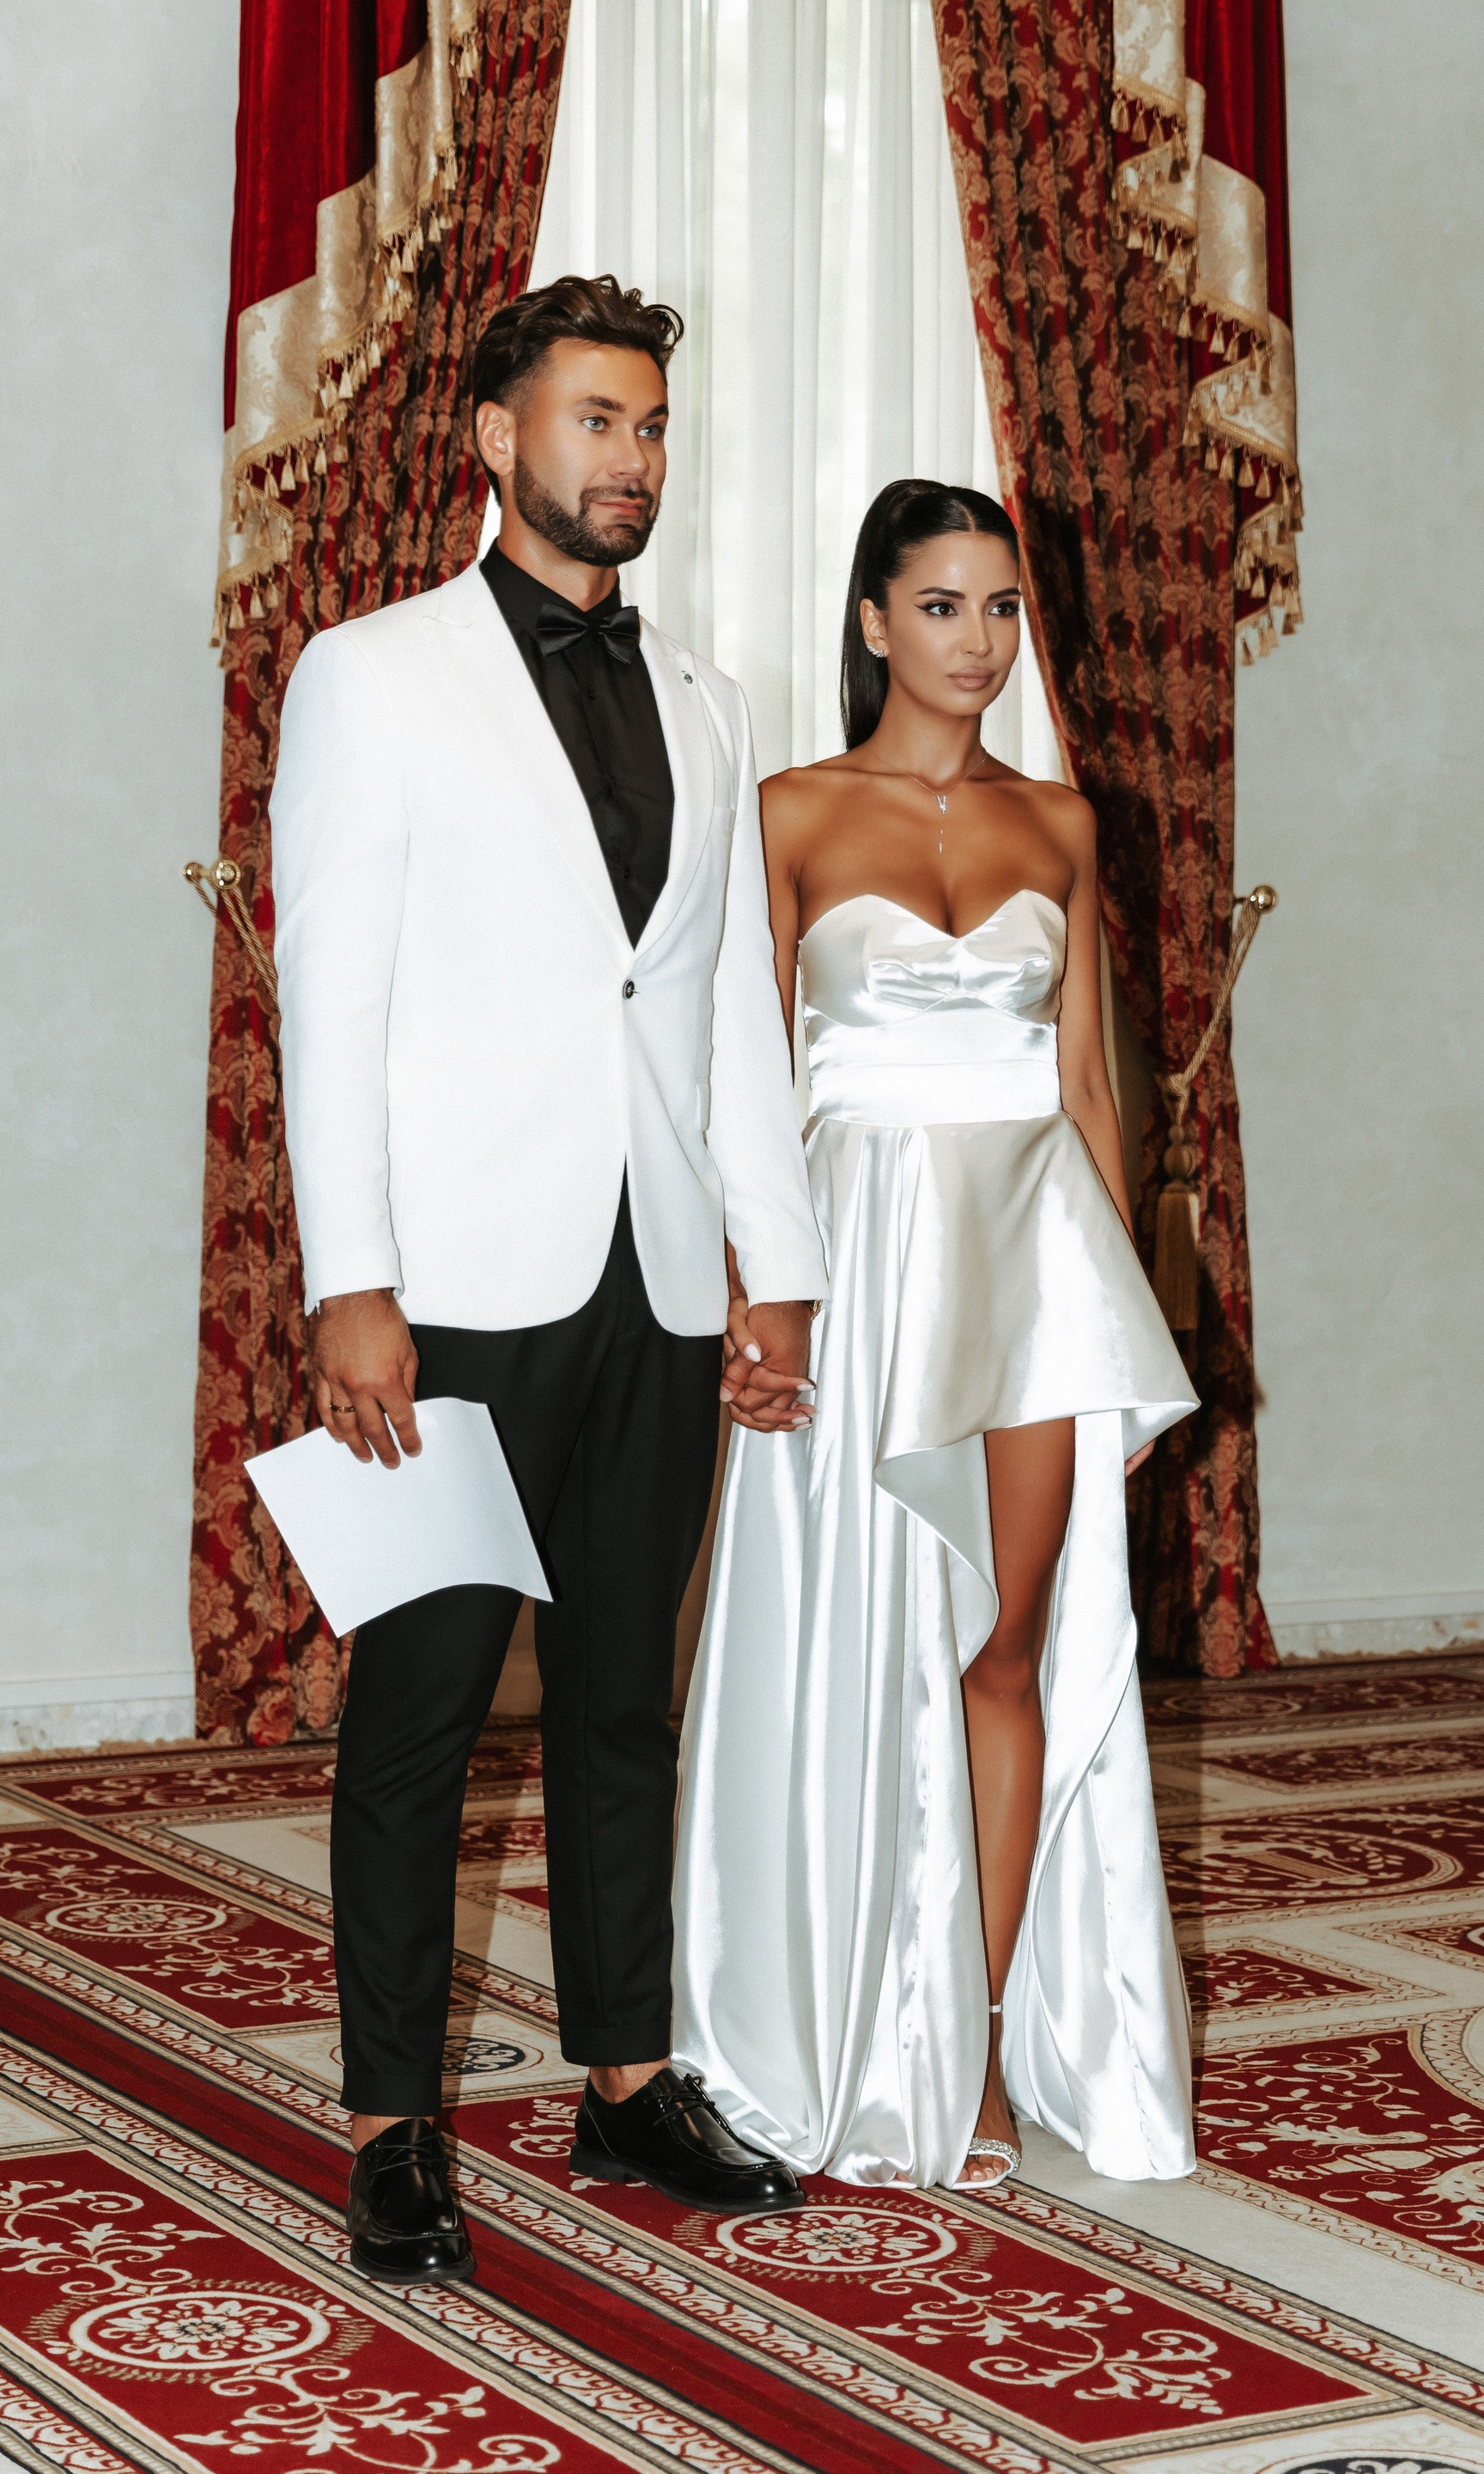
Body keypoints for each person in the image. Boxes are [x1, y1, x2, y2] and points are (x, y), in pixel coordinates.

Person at [271, 274, 828, 2282]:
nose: (632, 457)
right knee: (421, 1706)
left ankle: (626, 2078)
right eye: (597, 419)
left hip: (655, 1277)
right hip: (451, 1282)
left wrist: (778, 1266)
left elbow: (726, 1013)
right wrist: (353, 1281)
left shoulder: (710, 702)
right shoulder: (371, 676)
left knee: (619, 1703)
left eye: (652, 425)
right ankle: (391, 2124)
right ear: (498, 439)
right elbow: (331, 1002)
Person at [677, 479, 1200, 2190]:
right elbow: (738, 1086)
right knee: (845, 1641)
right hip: (856, 1258)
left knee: (1005, 1649)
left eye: (1001, 609)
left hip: (1038, 1265)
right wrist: (752, 1290)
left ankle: (970, 2040)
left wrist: (1127, 1332)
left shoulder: (1061, 822)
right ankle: (821, 2010)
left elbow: (1088, 1091)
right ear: (872, 620)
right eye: (942, 606)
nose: (978, 643)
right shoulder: (790, 812)